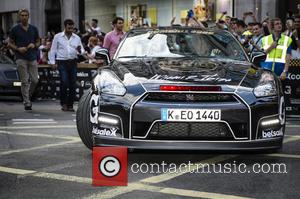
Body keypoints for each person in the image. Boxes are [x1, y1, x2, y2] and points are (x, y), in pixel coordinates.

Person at [49, 19, 85, 111]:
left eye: (72, 28)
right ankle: (63, 103)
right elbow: (53, 50)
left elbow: (82, 51)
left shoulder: (76, 37)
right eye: (69, 28)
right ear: (65, 27)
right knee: (64, 82)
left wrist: (80, 50)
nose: (71, 30)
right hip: (62, 61)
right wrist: (52, 62)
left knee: (73, 83)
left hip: (73, 61)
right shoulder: (57, 37)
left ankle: (70, 105)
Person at [8, 9, 40, 110]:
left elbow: (39, 41)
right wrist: (18, 48)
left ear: (28, 16)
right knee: (24, 81)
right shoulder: (15, 29)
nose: (24, 17)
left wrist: (34, 45)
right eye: (22, 15)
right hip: (20, 58)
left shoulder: (34, 29)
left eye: (26, 15)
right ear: (19, 17)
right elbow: (10, 43)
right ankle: (27, 102)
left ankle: (27, 97)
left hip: (32, 57)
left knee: (35, 80)